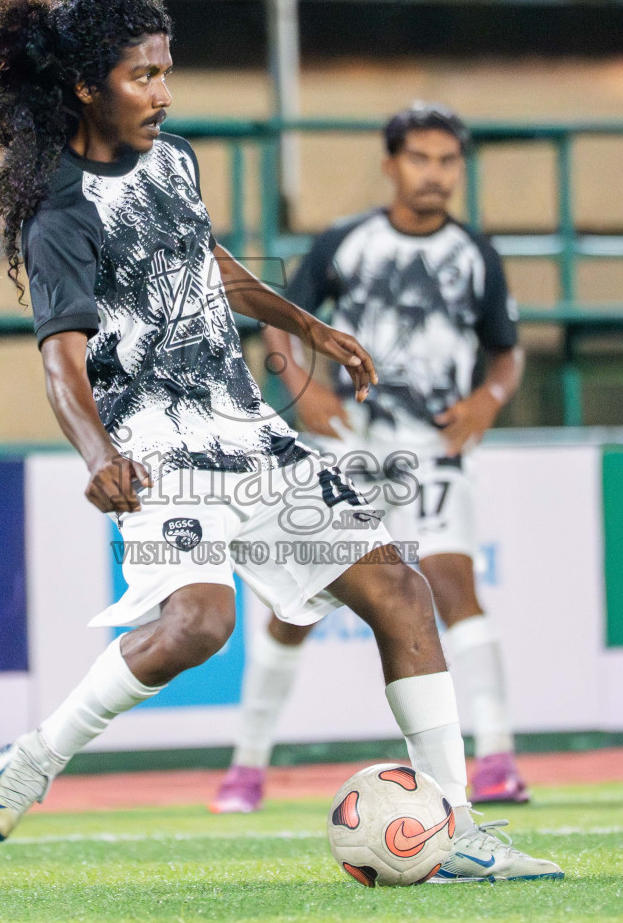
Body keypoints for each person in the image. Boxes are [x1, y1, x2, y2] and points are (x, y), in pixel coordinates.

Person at [0, 0, 560, 882]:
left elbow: (207, 263)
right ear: (83, 85)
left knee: (400, 586)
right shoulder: (61, 213)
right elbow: (60, 361)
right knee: (198, 625)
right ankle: (33, 759)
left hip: (248, 432)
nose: (162, 92)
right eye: (141, 75)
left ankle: (457, 826)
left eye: (166, 71)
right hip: (156, 444)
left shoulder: (174, 160)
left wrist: (304, 324)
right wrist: (99, 454)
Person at [212, 103, 531, 814]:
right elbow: (280, 324)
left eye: (448, 161)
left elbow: (508, 351)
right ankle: (247, 767)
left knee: (452, 585)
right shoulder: (344, 242)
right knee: (298, 607)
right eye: (420, 158)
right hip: (350, 445)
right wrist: (302, 392)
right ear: (391, 165)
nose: (435, 174)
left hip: (432, 447)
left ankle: (499, 757)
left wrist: (489, 399)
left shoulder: (476, 253)